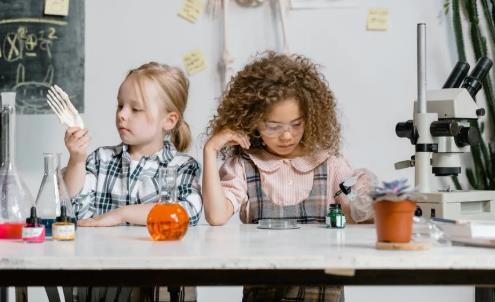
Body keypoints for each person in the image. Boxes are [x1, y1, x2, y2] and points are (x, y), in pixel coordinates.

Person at [203, 51, 375, 302]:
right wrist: (210, 150)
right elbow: (217, 216)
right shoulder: (244, 166)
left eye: (296, 124)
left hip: (323, 291)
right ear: (252, 122)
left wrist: (370, 196)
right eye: (274, 126)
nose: (286, 136)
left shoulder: (330, 164)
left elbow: (360, 219)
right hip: (264, 292)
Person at [63, 62, 201, 302]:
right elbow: (73, 209)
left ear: (169, 121)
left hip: (159, 285)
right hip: (101, 285)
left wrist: (120, 214)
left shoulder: (182, 167)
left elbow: (186, 212)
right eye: (120, 105)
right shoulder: (100, 159)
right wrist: (76, 160)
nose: (122, 114)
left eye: (135, 109)